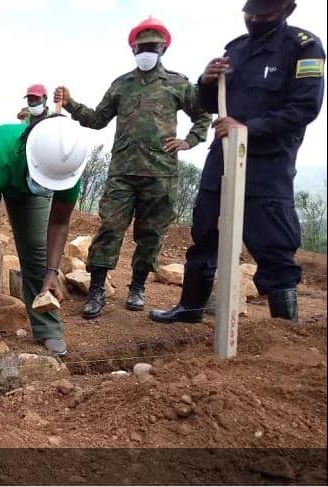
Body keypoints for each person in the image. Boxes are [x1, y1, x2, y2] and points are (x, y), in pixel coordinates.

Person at [151, 0, 325, 324]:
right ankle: (189, 310)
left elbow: (305, 108)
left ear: (288, 9)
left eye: (265, 14)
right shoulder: (236, 49)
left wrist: (249, 128)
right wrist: (205, 80)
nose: (256, 19)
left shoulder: (303, 47)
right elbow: (207, 103)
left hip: (268, 165)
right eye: (251, 13)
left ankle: (284, 329)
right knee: (204, 234)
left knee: (274, 244)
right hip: (222, 159)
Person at [54, 17, 212, 319]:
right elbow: (97, 119)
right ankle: (97, 289)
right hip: (122, 173)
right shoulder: (121, 85)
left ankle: (137, 287)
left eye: (152, 46)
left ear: (162, 48)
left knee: (151, 234)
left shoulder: (178, 84)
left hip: (161, 173)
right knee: (109, 229)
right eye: (141, 47)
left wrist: (189, 141)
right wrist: (71, 104)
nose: (146, 51)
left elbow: (203, 115)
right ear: (133, 49)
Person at [0, 116, 90, 356]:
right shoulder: (2, 156)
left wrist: (53, 272)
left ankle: (47, 325)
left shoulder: (67, 169)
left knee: (35, 248)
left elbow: (59, 223)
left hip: (25, 180)